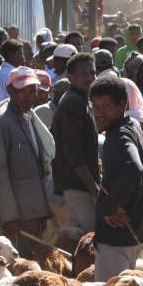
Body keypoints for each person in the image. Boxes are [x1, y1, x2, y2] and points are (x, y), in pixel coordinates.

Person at [90, 76, 143, 280]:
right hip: (134, 234)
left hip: (116, 241)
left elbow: (134, 169)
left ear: (122, 105)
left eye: (106, 106)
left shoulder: (120, 136)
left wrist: (109, 206)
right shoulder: (134, 127)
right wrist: (138, 205)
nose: (99, 113)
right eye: (95, 106)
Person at [0, 67, 54, 258]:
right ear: (11, 91)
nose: (29, 96)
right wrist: (9, 217)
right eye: (23, 91)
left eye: (33, 91)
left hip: (35, 211)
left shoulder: (29, 118)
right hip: (18, 216)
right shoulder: (0, 122)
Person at [50, 53, 100, 234]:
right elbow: (73, 152)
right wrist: (93, 187)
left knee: (76, 236)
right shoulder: (73, 102)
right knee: (93, 237)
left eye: (92, 73)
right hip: (78, 185)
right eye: (83, 74)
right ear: (70, 77)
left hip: (76, 184)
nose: (89, 78)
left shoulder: (80, 99)